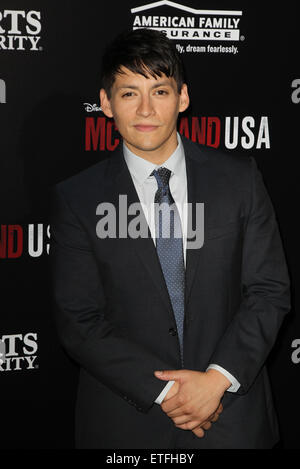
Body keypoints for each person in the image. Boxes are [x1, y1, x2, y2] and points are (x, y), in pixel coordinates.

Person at [50, 28, 290, 449]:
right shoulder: (77, 199)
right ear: (105, 103)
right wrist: (170, 393)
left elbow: (269, 291)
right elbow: (80, 319)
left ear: (182, 98)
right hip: (127, 422)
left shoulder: (239, 181)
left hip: (232, 418)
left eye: (159, 91)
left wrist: (216, 380)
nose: (146, 109)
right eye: (128, 94)